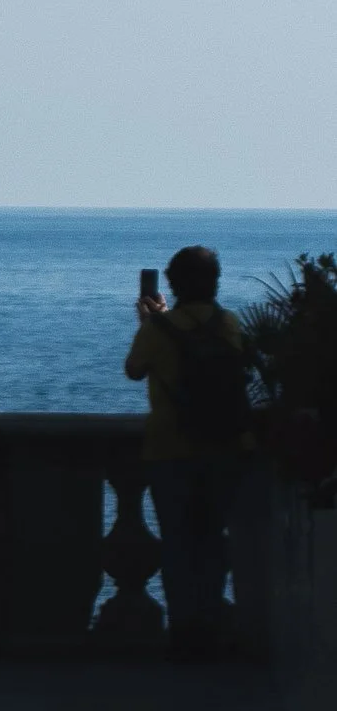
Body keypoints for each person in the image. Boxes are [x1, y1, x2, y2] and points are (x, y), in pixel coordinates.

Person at [125, 245, 252, 658]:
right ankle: (214, 623)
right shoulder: (228, 323)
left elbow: (134, 370)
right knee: (213, 542)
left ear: (173, 284)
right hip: (224, 446)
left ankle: (185, 632)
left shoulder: (158, 330)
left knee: (178, 544)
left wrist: (150, 322)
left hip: (170, 449)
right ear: (214, 282)